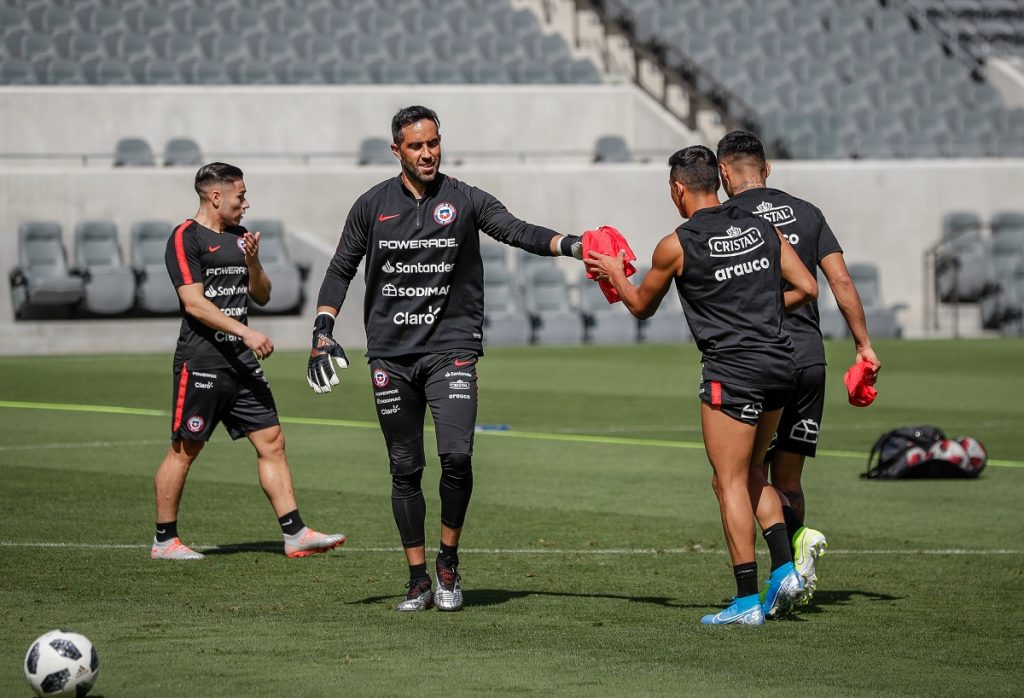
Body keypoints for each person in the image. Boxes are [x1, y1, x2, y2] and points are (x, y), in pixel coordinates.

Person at [307, 106, 583, 612]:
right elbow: (340, 268)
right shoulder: (372, 205)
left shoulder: (465, 198)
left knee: (456, 456)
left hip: (451, 349)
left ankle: (448, 563)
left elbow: (515, 229)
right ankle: (416, 578)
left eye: (434, 142)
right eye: (416, 146)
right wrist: (323, 327)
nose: (428, 152)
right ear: (397, 151)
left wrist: (574, 245)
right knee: (404, 468)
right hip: (390, 354)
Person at [585, 145, 817, 625]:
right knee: (754, 472)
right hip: (781, 364)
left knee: (727, 480)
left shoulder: (677, 244)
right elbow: (808, 288)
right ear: (718, 180)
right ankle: (785, 572)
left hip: (732, 371)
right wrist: (762, 311)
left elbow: (640, 306)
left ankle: (747, 600)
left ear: (678, 189)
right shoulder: (762, 228)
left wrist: (611, 272)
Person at [716, 130, 881, 600]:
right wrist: (864, 345)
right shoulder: (808, 212)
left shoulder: (728, 218)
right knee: (788, 480)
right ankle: (796, 572)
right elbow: (841, 280)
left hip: (758, 360)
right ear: (767, 169)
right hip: (810, 360)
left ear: (724, 173)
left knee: (743, 473)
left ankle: (783, 569)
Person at [152, 162, 345, 561]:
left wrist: (253, 262)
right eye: (240, 195)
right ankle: (165, 540)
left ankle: (295, 534)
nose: (246, 202)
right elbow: (193, 303)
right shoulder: (184, 238)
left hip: (241, 362)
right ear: (215, 196)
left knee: (272, 441)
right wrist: (245, 332)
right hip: (203, 361)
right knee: (185, 449)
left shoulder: (241, 238)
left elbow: (263, 295)